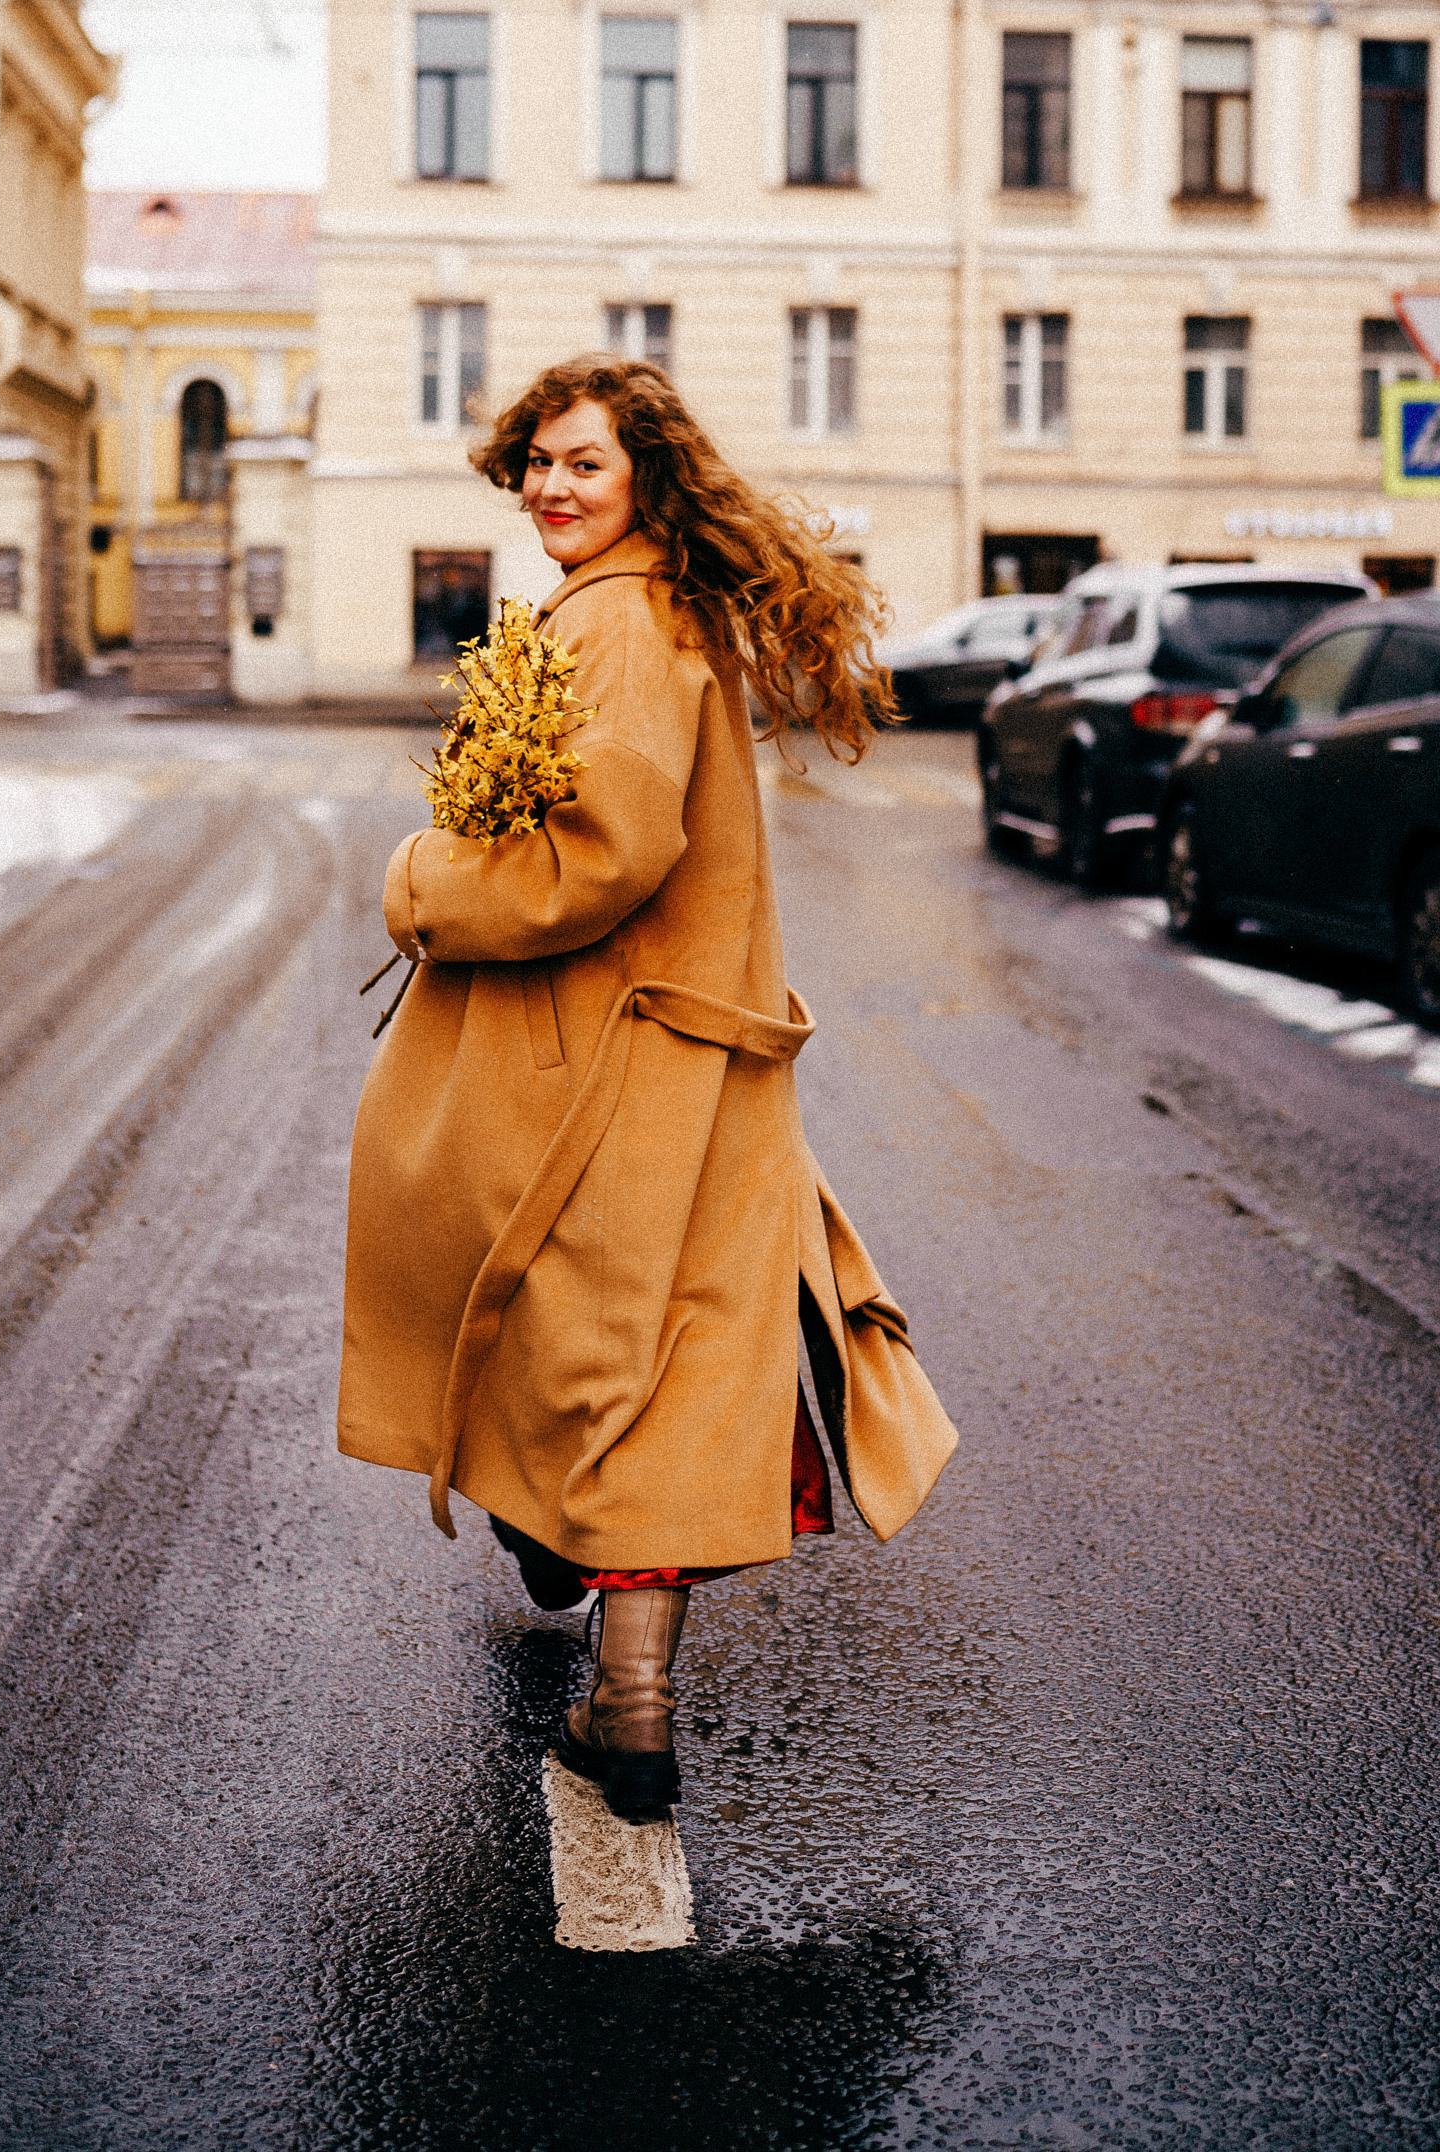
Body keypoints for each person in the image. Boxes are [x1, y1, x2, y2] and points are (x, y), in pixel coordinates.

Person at [340, 356, 956, 1827]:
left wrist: (421, 884)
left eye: (583, 465)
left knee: (584, 1361)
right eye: (539, 463)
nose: (552, 486)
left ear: (646, 481)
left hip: (608, 1064)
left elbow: (594, 860)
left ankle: (589, 1624)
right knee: (652, 1379)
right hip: (674, 1058)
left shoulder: (620, 626)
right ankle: (626, 1705)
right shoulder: (651, 612)